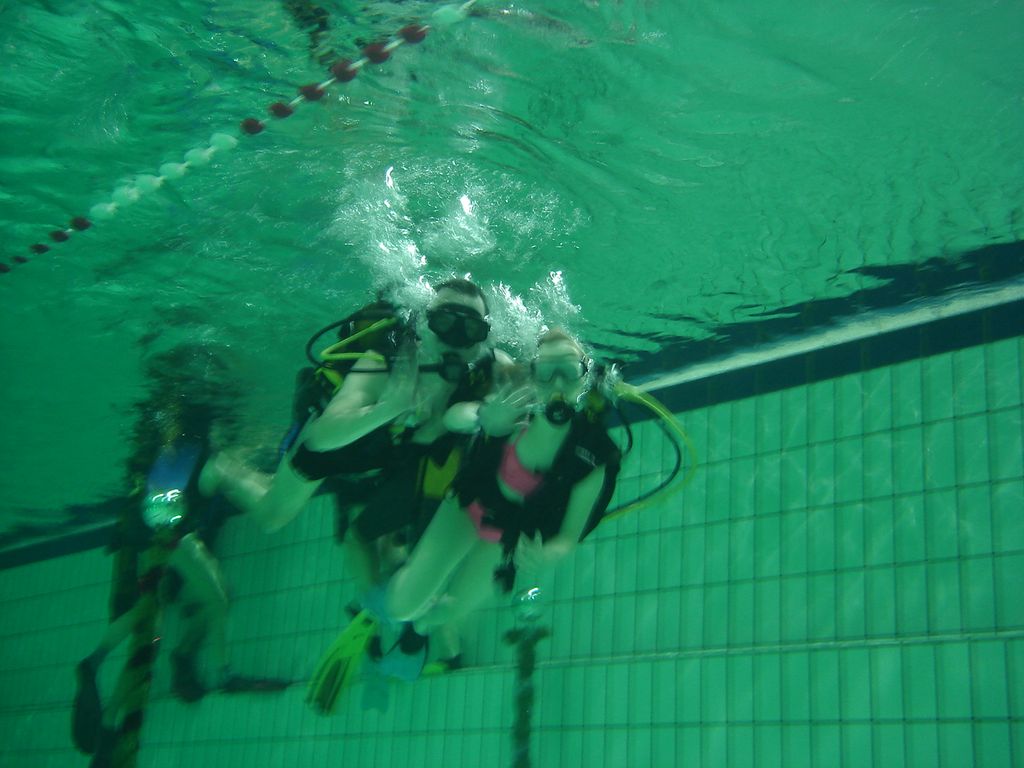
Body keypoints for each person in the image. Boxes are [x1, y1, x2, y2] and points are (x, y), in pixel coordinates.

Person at [199, 279, 511, 588]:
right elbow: (321, 438)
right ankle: (225, 469)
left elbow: (520, 391)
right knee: (272, 517)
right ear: (423, 323)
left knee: (381, 533)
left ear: (483, 337)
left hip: (388, 452)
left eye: (471, 328)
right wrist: (387, 408)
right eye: (444, 322)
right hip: (337, 447)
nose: (456, 338)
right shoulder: (384, 363)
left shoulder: (487, 367)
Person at [71, 346, 285, 767]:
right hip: (168, 531)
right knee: (215, 600)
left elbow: (155, 490)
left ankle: (96, 666)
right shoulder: (215, 457)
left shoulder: (173, 440)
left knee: (153, 610)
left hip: (150, 525)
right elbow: (264, 503)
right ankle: (222, 673)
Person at [382, 329, 622, 657]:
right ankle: (395, 575)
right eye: (546, 372)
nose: (557, 384)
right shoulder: (515, 407)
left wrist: (545, 555)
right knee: (400, 607)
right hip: (467, 507)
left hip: (507, 537)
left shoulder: (593, 454)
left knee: (446, 612)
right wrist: (485, 416)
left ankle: (422, 628)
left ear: (585, 377)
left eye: (569, 372)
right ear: (532, 375)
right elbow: (454, 417)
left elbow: (568, 538)